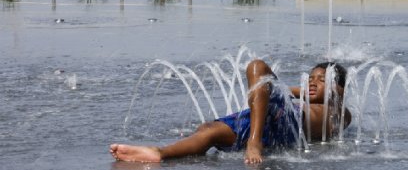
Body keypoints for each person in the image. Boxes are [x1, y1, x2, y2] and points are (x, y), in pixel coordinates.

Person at [109, 59, 351, 164]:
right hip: (268, 121)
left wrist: (328, 90)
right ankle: (158, 152)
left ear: (339, 88)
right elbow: (273, 88)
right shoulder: (298, 98)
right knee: (210, 131)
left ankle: (253, 142)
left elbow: (281, 89)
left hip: (287, 124)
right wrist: (302, 88)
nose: (312, 82)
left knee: (257, 67)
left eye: (321, 79)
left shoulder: (339, 112)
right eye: (310, 78)